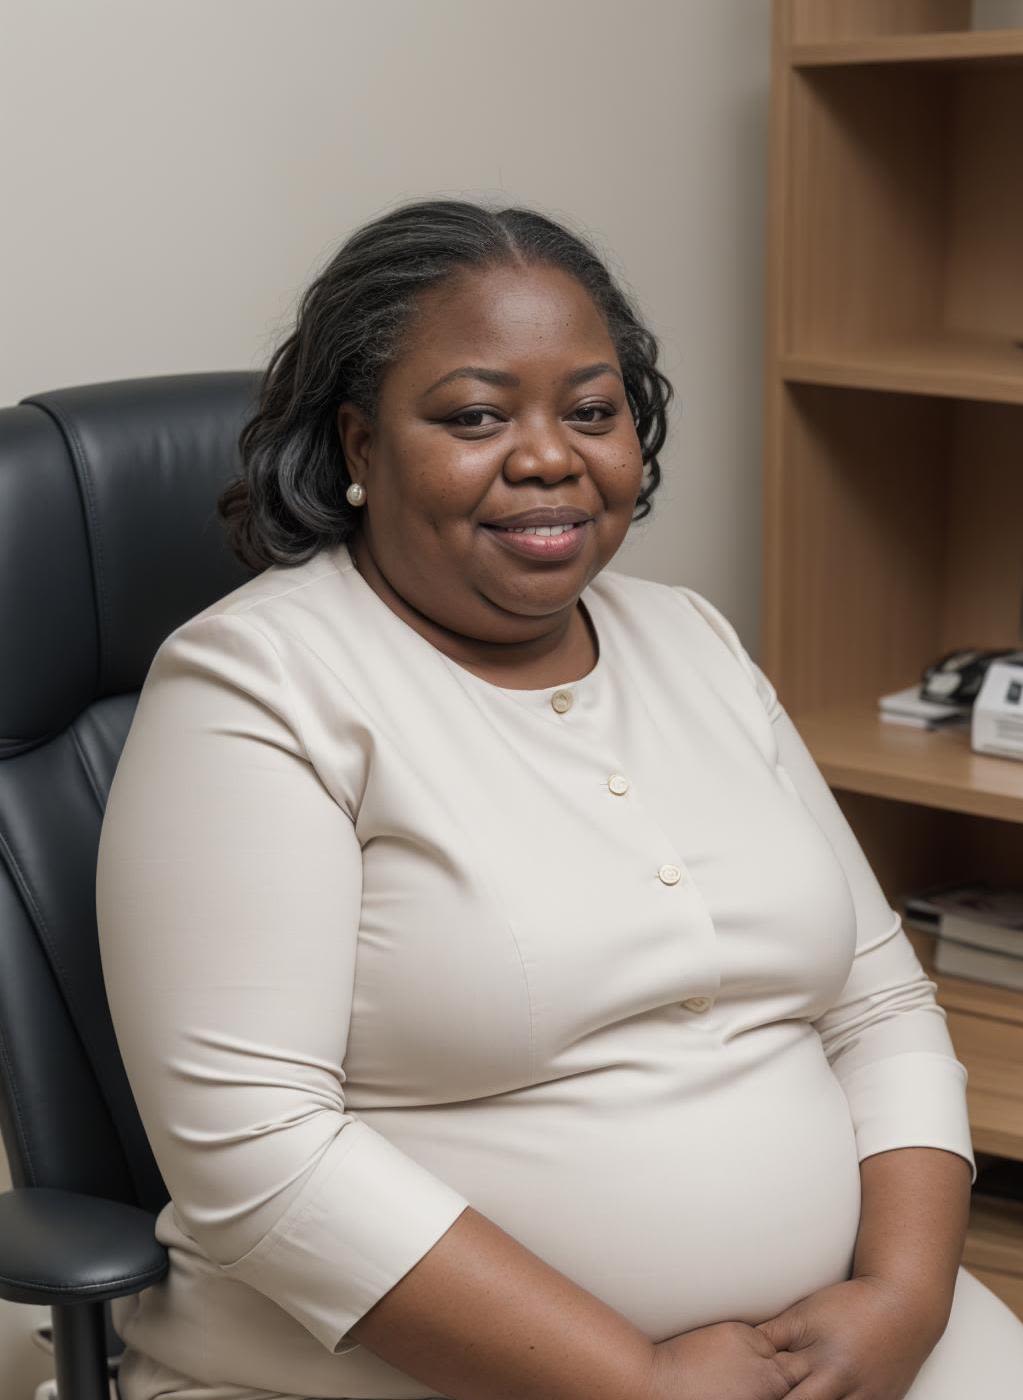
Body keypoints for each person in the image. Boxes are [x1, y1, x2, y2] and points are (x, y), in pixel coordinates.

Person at [96, 198, 1023, 1400]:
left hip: (839, 1346)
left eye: (592, 410)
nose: (549, 455)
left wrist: (903, 1298)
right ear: (360, 446)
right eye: (476, 415)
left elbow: (880, 1002)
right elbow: (255, 1150)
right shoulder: (257, 686)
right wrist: (634, 1377)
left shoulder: (689, 637)